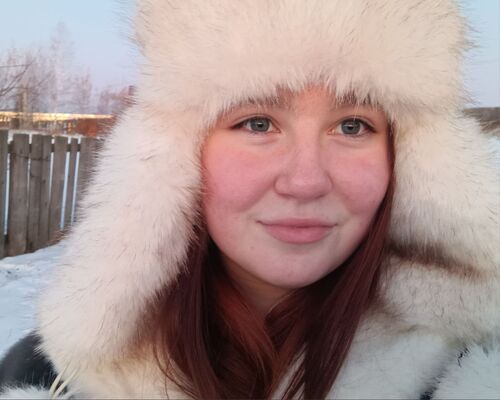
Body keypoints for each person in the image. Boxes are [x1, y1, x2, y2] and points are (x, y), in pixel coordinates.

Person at [1, 0, 499, 398]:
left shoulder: (473, 373)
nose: (306, 181)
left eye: (352, 126)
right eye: (257, 123)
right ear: (179, 156)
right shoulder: (50, 379)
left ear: (408, 161)